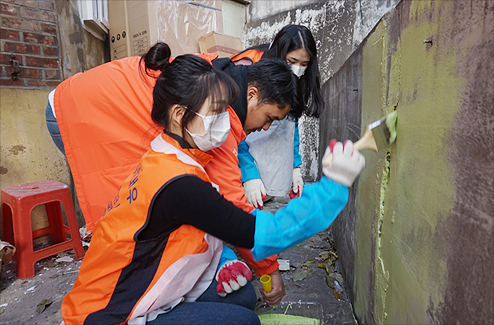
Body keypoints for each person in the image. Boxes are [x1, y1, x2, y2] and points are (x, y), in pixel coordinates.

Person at [60, 42, 366, 325]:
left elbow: (205, 224)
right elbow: (261, 233)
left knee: (242, 295)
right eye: (216, 112)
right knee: (245, 322)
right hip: (109, 316)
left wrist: (223, 261)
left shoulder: (166, 153)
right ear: (180, 114)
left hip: (108, 293)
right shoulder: (179, 184)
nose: (224, 122)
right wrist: (334, 186)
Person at [46, 43, 296, 307]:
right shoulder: (218, 114)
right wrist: (269, 268)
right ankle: (128, 295)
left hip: (88, 95)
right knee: (132, 218)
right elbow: (231, 206)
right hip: (79, 110)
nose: (265, 127)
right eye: (269, 117)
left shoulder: (223, 79)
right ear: (253, 95)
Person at [230, 24, 324, 209]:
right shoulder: (250, 68)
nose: (297, 69)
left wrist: (295, 167)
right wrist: (249, 174)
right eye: (292, 61)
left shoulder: (295, 80)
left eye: (304, 65)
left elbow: (291, 124)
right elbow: (233, 128)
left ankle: (261, 192)